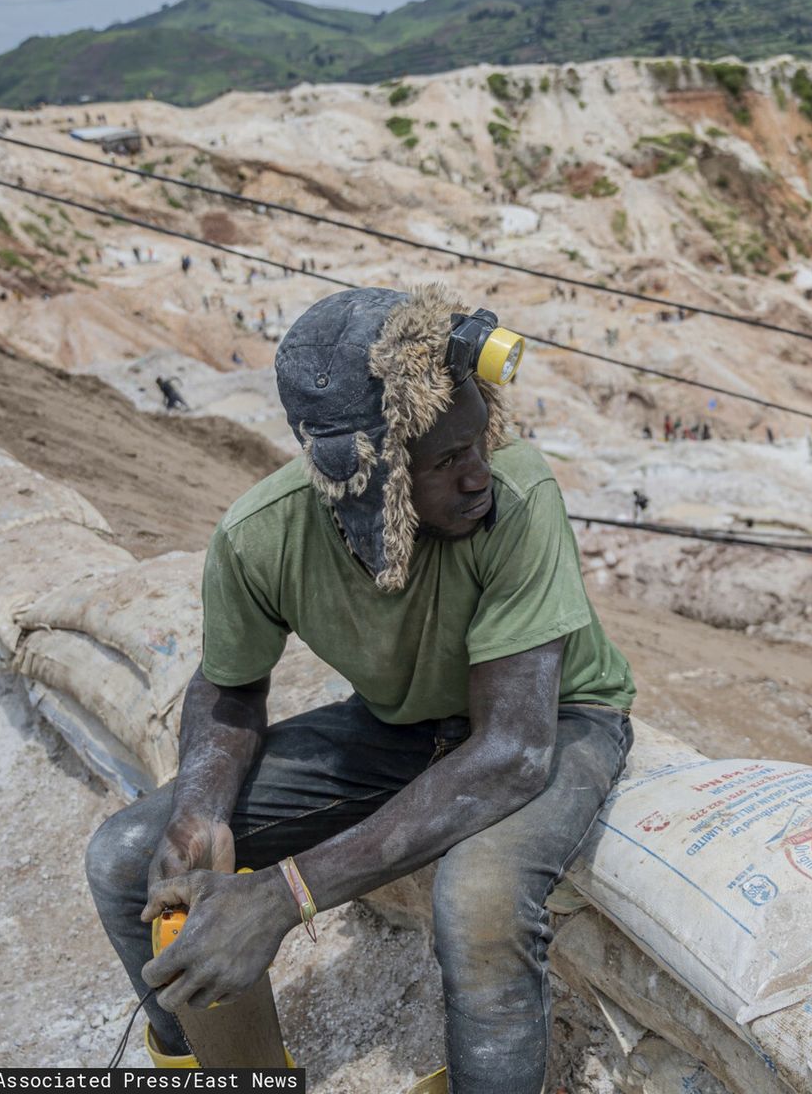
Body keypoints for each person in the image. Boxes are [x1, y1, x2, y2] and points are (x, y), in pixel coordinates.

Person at [84, 285, 636, 1089]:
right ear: (364, 477)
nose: (480, 475)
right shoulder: (258, 536)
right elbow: (229, 687)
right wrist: (201, 806)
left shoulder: (520, 497)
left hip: (557, 716)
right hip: (401, 730)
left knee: (478, 903)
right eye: (446, 462)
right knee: (128, 856)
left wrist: (284, 896)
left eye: (478, 442)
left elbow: (513, 754)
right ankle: (223, 1069)